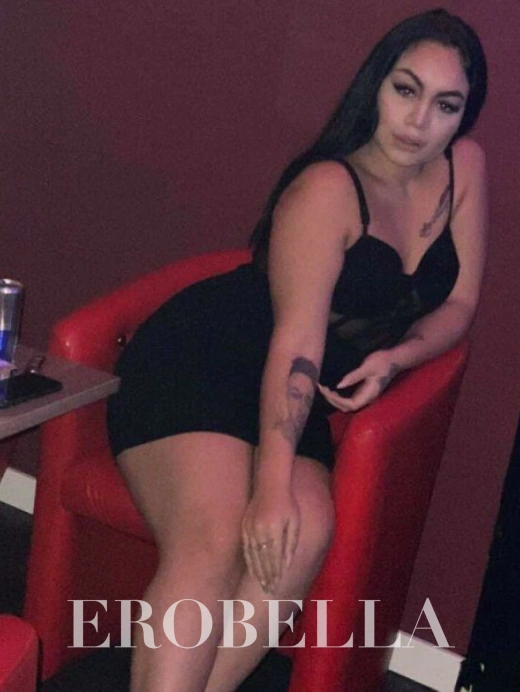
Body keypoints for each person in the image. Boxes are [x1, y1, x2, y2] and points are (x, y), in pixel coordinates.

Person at [107, 7, 488, 692]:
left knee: (303, 534)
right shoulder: (327, 188)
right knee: (217, 539)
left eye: (446, 104)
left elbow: (459, 304)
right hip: (206, 359)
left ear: (465, 113)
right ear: (376, 84)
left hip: (296, 387)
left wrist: (396, 358)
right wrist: (270, 489)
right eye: (406, 90)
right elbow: (297, 339)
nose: (419, 120)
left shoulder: (464, 167)